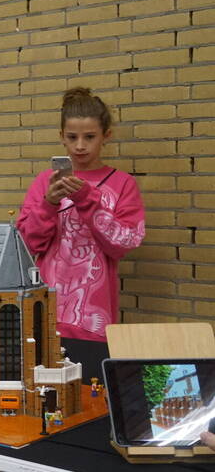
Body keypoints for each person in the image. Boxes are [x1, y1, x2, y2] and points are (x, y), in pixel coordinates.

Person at [17, 87, 145, 382]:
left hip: (94, 324)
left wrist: (87, 198)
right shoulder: (44, 182)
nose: (80, 146)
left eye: (90, 137)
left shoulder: (122, 184)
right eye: (72, 137)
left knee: (90, 399)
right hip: (45, 319)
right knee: (46, 402)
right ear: (62, 135)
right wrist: (48, 204)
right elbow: (25, 245)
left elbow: (123, 243)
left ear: (106, 135)